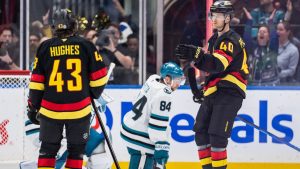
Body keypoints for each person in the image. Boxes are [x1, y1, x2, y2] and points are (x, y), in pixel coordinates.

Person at [27, 9, 107, 169]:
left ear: (53, 26)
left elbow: (36, 83)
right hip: (79, 110)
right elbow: (99, 77)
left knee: (47, 151)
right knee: (76, 152)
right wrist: (91, 93)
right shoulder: (86, 45)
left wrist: (33, 107)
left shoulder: (44, 47)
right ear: (73, 25)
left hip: (50, 111)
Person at [175, 1, 249, 169]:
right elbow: (211, 68)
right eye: (212, 15)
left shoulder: (231, 40)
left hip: (230, 92)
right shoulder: (215, 38)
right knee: (201, 133)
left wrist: (197, 54)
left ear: (228, 18)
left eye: (218, 16)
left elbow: (218, 65)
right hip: (216, 90)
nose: (213, 19)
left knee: (217, 137)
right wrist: (204, 87)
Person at [121, 62, 185, 169]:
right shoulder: (165, 94)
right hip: (140, 137)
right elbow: (156, 126)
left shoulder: (152, 80)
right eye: (178, 80)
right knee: (144, 159)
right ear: (168, 79)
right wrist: (162, 148)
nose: (179, 84)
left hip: (130, 126)